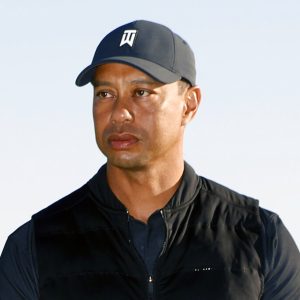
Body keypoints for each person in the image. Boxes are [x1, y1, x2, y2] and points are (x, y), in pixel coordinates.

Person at [0, 20, 300, 300]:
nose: (119, 113)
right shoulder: (33, 246)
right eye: (105, 93)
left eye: (141, 92)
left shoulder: (260, 236)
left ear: (189, 105)